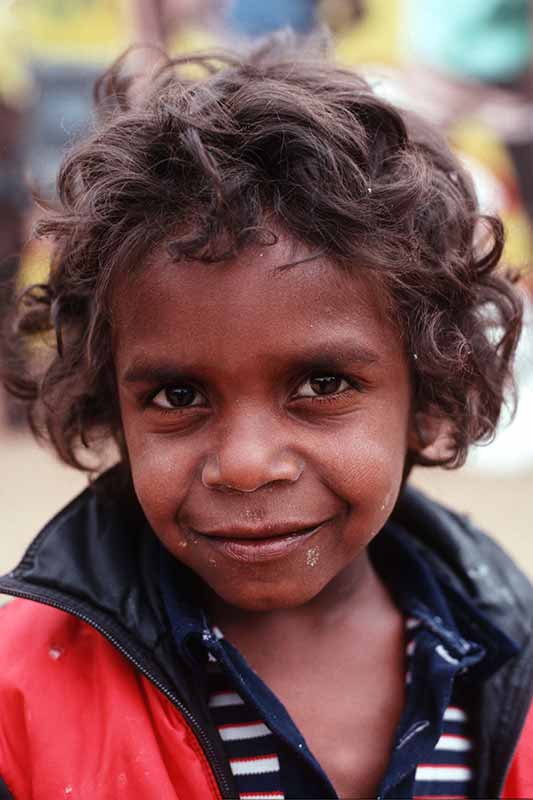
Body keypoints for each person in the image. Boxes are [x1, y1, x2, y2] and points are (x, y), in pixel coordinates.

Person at [0, 34, 532, 800]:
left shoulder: (505, 662)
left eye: (321, 384)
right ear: (110, 403)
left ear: (428, 396)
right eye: (177, 397)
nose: (246, 464)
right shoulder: (21, 695)